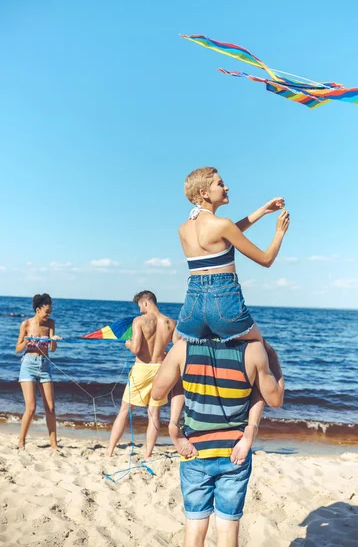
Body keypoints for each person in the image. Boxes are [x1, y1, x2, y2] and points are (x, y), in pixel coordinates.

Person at [152, 337, 284, 547]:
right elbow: (275, 400)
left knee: (194, 528)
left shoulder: (183, 347)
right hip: (235, 451)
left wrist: (174, 423)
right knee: (228, 528)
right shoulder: (253, 349)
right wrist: (273, 356)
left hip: (194, 450)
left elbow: (158, 392)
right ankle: (249, 430)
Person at [176, 166, 290, 344]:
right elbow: (266, 259)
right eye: (220, 184)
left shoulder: (184, 228)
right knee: (263, 349)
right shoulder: (222, 225)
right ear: (204, 193)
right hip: (223, 303)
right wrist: (279, 232)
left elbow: (226, 236)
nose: (226, 187)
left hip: (193, 305)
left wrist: (263, 210)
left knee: (179, 346)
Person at [106, 290, 176, 459]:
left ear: (146, 302)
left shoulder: (140, 321)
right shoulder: (171, 323)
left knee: (124, 411)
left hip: (142, 369)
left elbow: (136, 349)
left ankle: (109, 451)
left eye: (140, 306)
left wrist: (128, 344)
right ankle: (147, 454)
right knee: (154, 413)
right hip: (161, 369)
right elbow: (177, 349)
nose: (139, 311)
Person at [16, 293, 61, 450]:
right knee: (31, 407)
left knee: (50, 407)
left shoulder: (50, 324)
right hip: (28, 364)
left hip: (44, 366)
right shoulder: (26, 324)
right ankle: (21, 441)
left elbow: (52, 350)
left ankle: (54, 444)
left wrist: (53, 340)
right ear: (37, 309)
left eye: (50, 311)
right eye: (46, 311)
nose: (48, 314)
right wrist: (27, 341)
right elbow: (17, 348)